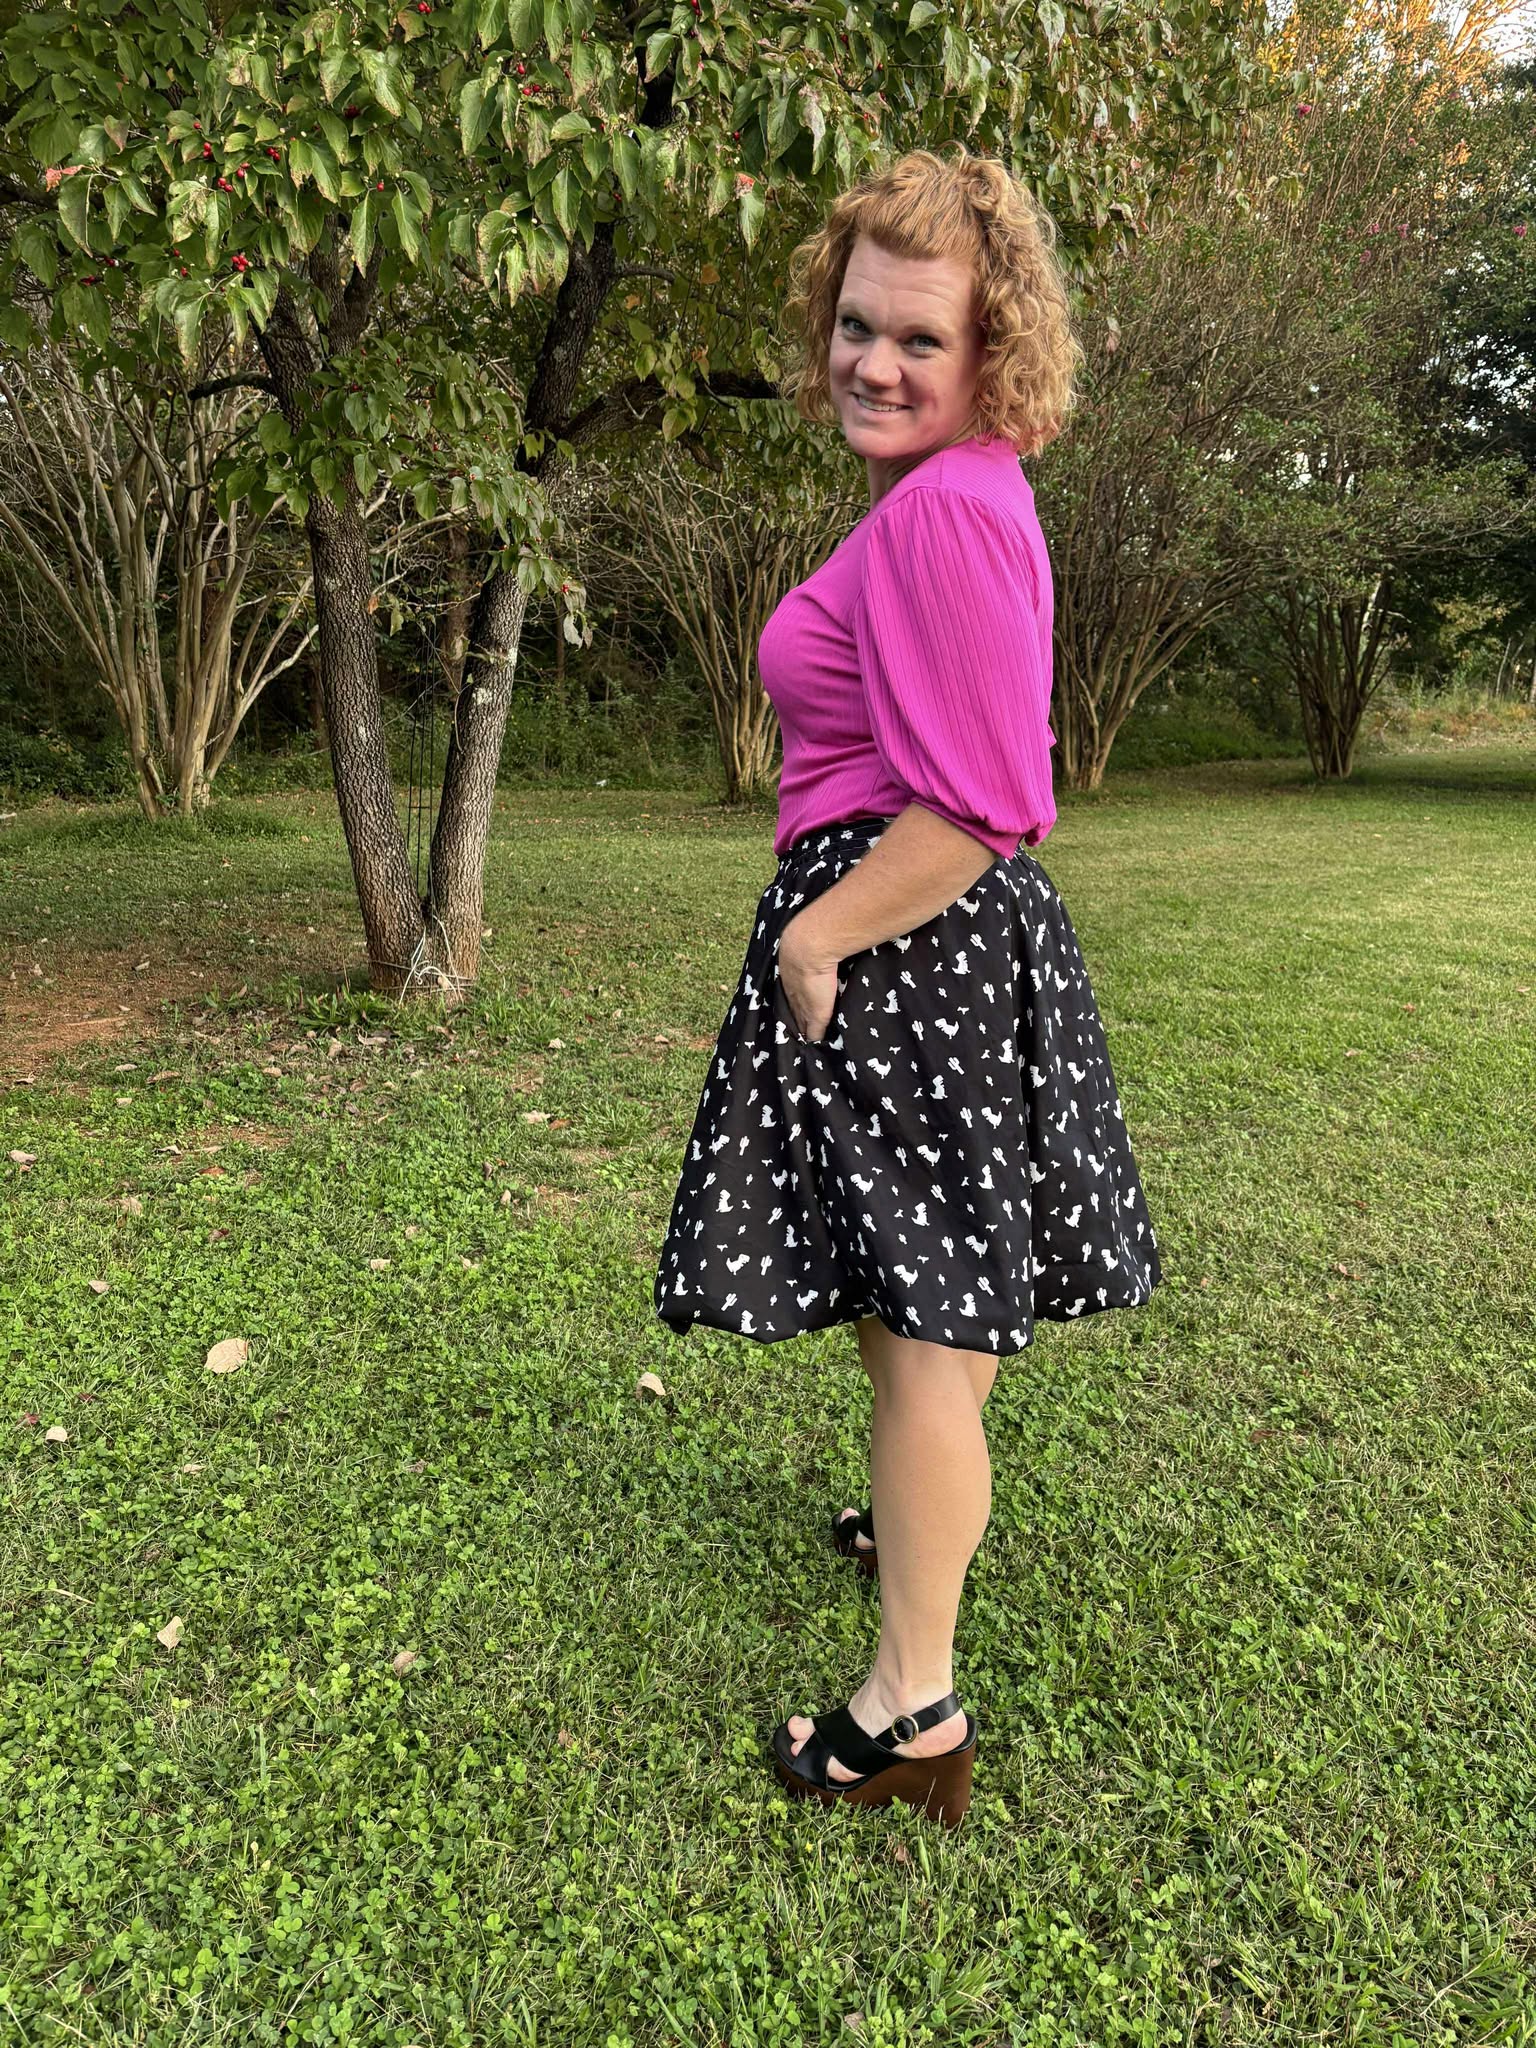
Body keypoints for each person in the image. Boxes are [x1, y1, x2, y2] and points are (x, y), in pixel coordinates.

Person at [653, 145, 1162, 1826]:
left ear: (990, 352)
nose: (873, 361)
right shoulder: (962, 488)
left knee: (918, 1340)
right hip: (933, 947)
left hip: (896, 942)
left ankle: (908, 1706)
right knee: (928, 1318)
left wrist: (817, 940)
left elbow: (988, 801)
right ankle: (914, 1522)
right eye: (856, 325)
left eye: (918, 339)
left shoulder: (945, 509)